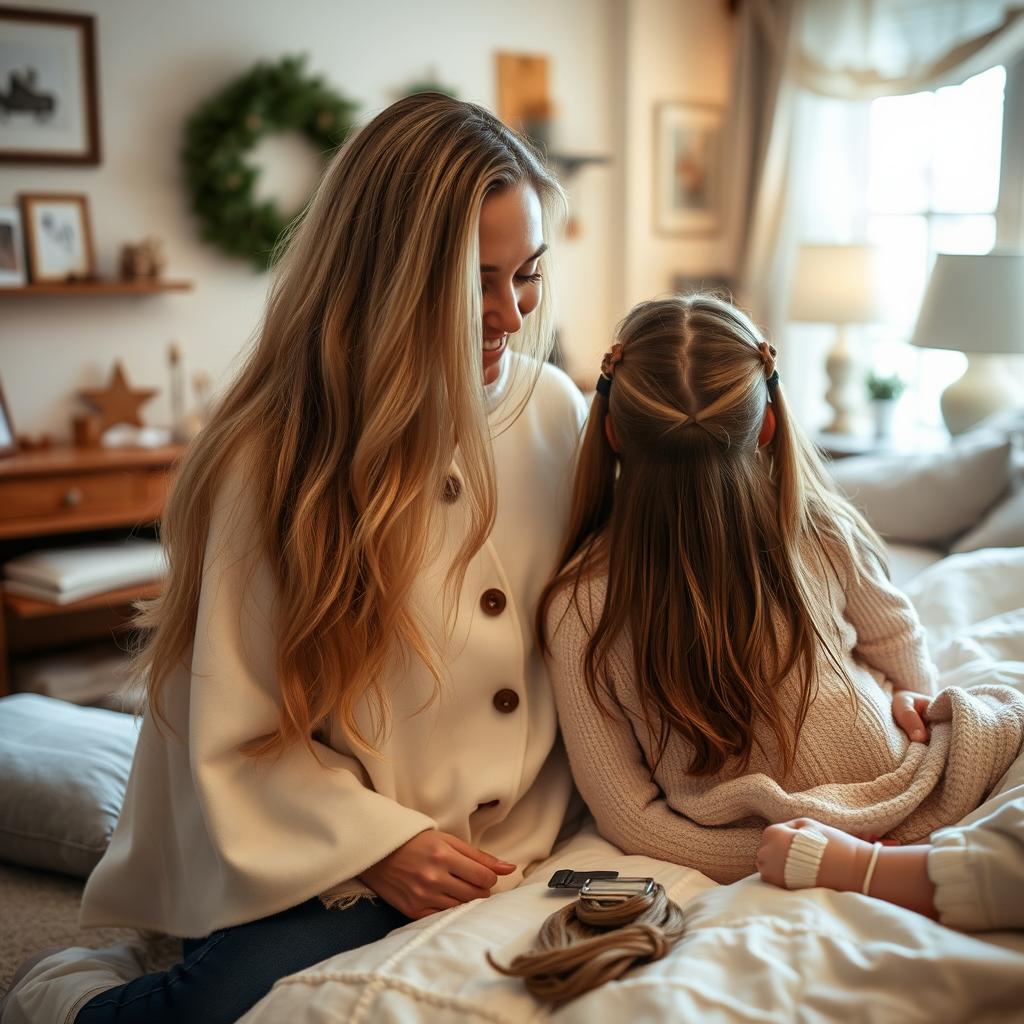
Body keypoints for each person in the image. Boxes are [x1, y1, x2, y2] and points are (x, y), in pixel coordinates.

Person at [2, 93, 587, 1024]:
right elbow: (233, 732)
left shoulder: (556, 410)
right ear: (390, 277)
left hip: (525, 828)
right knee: (226, 1006)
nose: (510, 317)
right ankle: (68, 992)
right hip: (326, 840)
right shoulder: (270, 461)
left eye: (526, 276)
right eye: (477, 281)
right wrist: (382, 848)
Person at [538, 292, 1024, 886]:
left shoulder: (576, 605)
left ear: (611, 432)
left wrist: (913, 702)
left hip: (881, 788)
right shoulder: (815, 529)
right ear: (768, 422)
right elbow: (897, 634)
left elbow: (629, 817)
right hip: (910, 781)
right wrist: (818, 849)